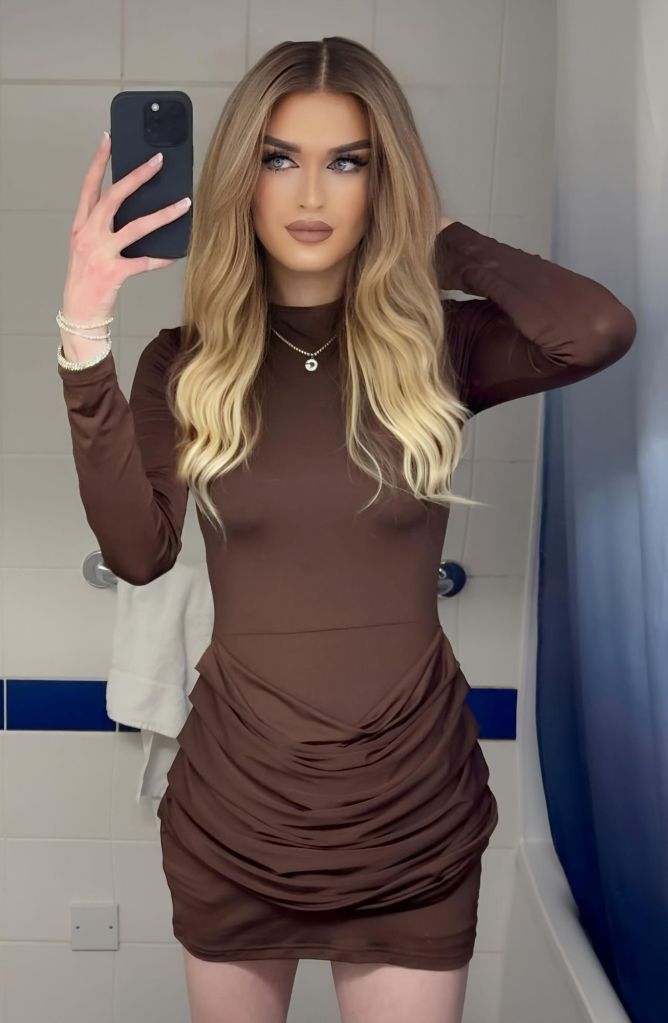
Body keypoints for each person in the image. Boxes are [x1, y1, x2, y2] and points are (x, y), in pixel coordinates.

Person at [57, 36, 636, 1023]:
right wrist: (83, 329)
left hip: (412, 815)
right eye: (280, 158)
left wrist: (438, 235)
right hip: (237, 810)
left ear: (384, 180)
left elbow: (594, 329)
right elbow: (137, 554)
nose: (311, 193)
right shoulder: (183, 364)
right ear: (241, 178)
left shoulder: (436, 348)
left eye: (349, 161)